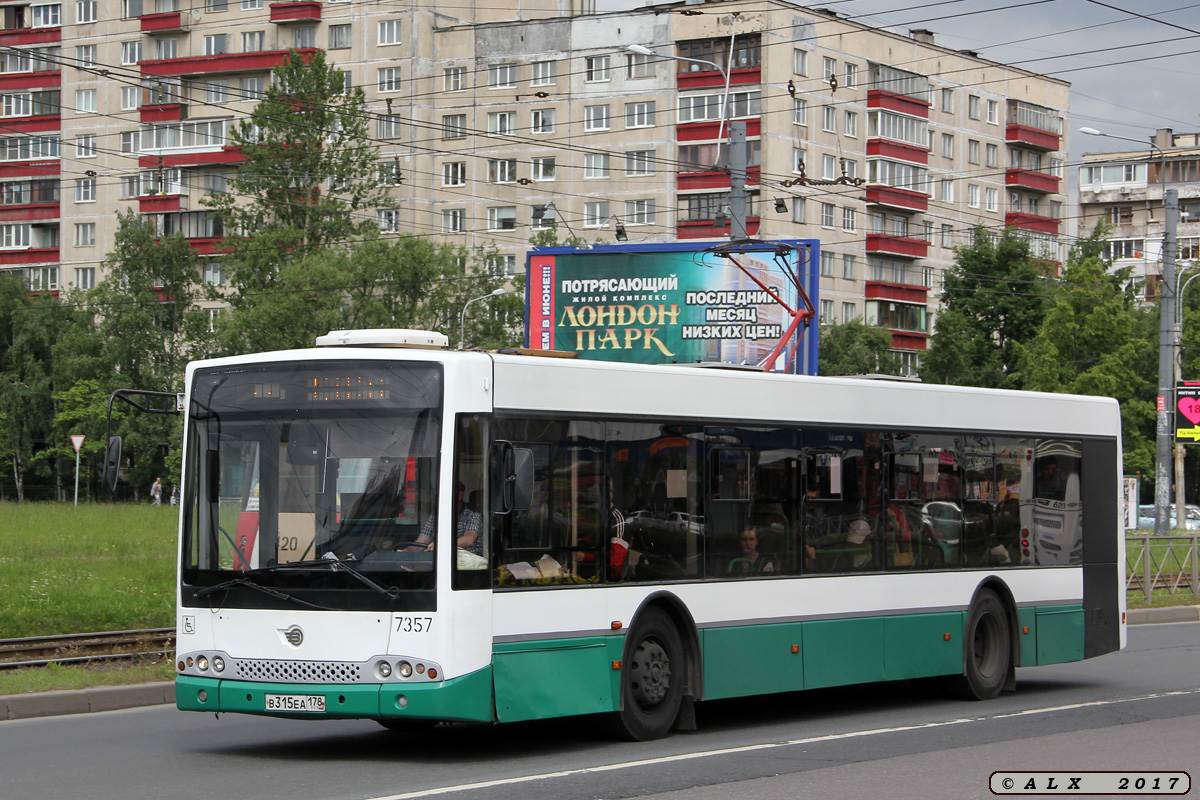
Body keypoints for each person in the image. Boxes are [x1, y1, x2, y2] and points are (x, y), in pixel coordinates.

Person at [407, 482, 482, 555]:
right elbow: (420, 543)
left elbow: (469, 539)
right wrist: (404, 552)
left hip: (468, 563)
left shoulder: (473, 514)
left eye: (446, 494)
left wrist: (442, 545)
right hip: (441, 561)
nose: (441, 499)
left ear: (460, 495)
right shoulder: (436, 515)